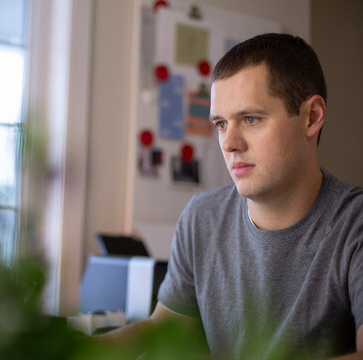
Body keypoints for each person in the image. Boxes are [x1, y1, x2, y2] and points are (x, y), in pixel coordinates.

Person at [99, 33, 363, 359]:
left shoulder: (355, 224)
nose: (228, 143)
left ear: (311, 117)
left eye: (250, 119)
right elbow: (164, 329)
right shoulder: (202, 216)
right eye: (221, 124)